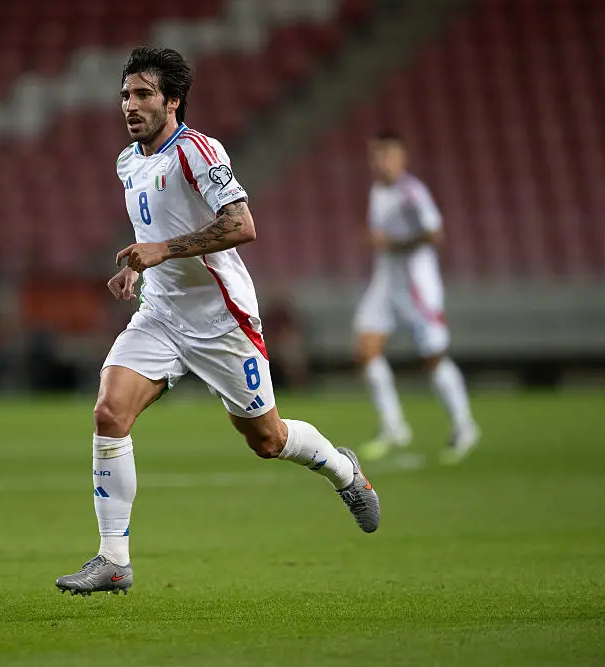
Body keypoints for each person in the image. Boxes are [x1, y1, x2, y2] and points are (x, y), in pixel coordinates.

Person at [55, 47, 379, 597]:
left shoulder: (199, 152)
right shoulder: (127, 161)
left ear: (173, 100)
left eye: (142, 95)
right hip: (160, 315)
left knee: (267, 440)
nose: (129, 105)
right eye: (124, 95)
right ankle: (114, 560)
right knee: (109, 413)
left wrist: (165, 250)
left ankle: (344, 470)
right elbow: (153, 231)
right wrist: (140, 267)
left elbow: (241, 225)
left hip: (221, 321)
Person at [354, 131, 479, 464]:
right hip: (385, 283)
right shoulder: (378, 190)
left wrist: (393, 244)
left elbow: (435, 234)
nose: (380, 162)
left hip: (416, 286)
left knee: (433, 357)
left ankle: (464, 426)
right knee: (367, 348)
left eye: (386, 156)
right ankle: (394, 426)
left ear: (401, 158)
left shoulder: (413, 193)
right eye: (375, 156)